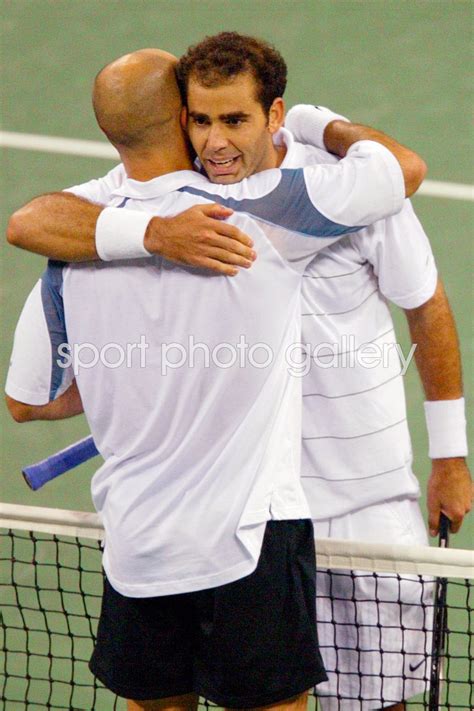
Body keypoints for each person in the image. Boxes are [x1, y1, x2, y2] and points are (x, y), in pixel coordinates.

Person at [5, 49, 423, 711]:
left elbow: (27, 403)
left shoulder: (72, 243)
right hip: (250, 544)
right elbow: (402, 170)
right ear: (182, 118)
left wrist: (135, 374)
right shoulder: (262, 213)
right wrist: (314, 126)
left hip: (139, 548)